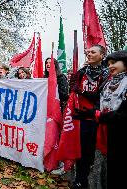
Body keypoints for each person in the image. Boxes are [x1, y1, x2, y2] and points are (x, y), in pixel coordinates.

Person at [74, 50, 127, 189]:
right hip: (101, 132)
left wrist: (102, 116)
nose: (110, 66)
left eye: (114, 63)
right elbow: (99, 100)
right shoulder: (108, 82)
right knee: (99, 168)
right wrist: (89, 113)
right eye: (109, 64)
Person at [69, 44, 109, 189]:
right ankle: (80, 180)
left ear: (102, 55)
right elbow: (72, 87)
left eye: (93, 52)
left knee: (95, 154)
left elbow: (100, 96)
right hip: (82, 118)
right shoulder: (83, 72)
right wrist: (74, 84)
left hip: (98, 119)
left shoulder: (107, 73)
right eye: (88, 52)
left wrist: (82, 92)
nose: (89, 54)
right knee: (82, 151)